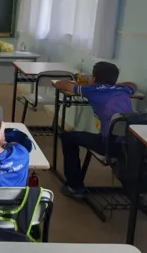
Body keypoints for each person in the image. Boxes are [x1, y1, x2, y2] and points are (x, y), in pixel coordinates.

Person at [53, 61, 137, 198]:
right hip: (131, 145)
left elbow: (61, 84)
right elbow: (133, 85)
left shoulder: (91, 89)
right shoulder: (124, 90)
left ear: (94, 78)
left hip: (108, 145)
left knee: (68, 137)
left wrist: (81, 84)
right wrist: (115, 86)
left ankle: (75, 187)